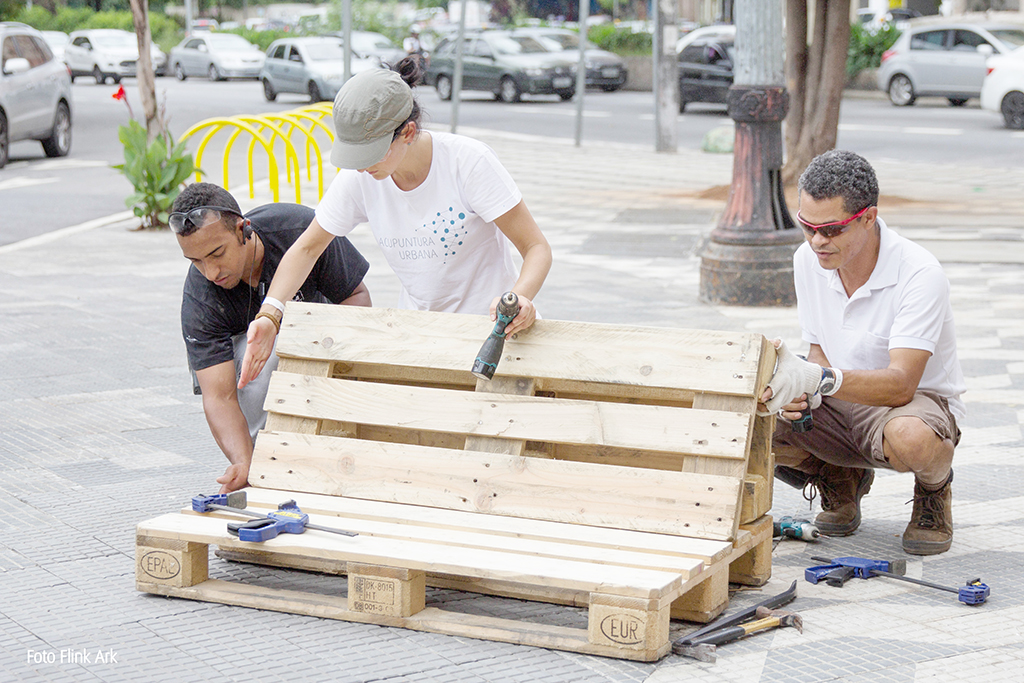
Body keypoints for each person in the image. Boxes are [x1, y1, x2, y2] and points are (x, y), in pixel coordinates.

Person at [239, 57, 552, 388]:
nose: (361, 167)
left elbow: (536, 248)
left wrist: (520, 298)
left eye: (370, 154)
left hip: (493, 336)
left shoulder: (468, 163)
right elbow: (307, 247)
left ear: (408, 132)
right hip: (420, 338)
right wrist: (270, 314)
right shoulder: (361, 178)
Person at [759, 150, 965, 556]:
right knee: (751, 418)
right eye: (808, 226)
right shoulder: (808, 259)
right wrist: (796, 391)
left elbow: (901, 385)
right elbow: (819, 349)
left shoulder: (919, 273)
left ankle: (933, 490)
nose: (818, 241)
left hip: (910, 407)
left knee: (911, 439)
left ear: (868, 218)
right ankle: (839, 477)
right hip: (839, 397)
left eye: (832, 229)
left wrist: (819, 380)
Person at [172, 183, 371, 493]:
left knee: (289, 345)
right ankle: (269, 464)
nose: (210, 272)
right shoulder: (201, 295)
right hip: (254, 371)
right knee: (257, 367)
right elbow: (219, 395)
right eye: (196, 261)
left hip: (323, 338)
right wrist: (244, 463)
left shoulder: (299, 230)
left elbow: (356, 297)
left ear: (243, 230)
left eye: (216, 254)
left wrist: (327, 354)